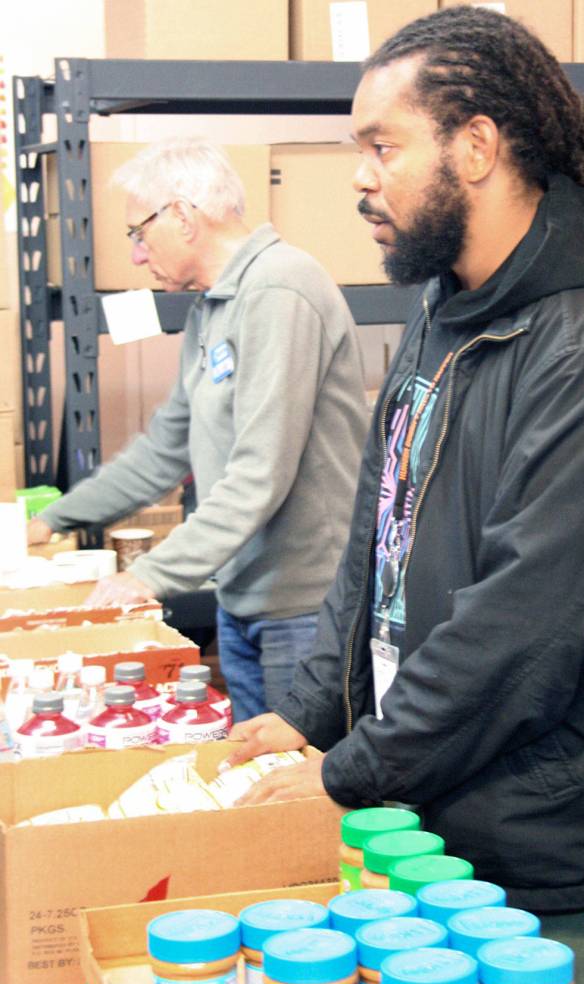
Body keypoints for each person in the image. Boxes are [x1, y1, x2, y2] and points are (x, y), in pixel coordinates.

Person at [221, 8, 584, 984]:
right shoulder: (448, 315)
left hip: (564, 837)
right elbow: (379, 546)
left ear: (479, 145)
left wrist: (352, 770)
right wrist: (310, 711)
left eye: (383, 146)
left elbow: (532, 622)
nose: (361, 176)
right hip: (453, 801)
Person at [28, 138, 369, 722]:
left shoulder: (280, 290)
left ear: (182, 216)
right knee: (252, 792)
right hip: (242, 600)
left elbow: (262, 472)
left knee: (298, 797)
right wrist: (50, 522)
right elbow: (164, 450)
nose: (135, 256)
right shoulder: (215, 309)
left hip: (302, 611)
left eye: (138, 233)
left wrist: (149, 576)